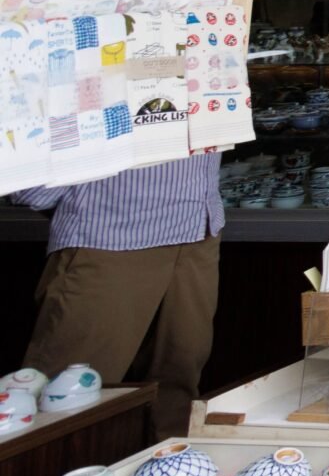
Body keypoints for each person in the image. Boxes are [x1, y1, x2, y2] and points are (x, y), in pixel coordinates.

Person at [13, 155, 225, 439]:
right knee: (69, 394)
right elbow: (30, 175)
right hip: (112, 231)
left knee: (178, 382)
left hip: (198, 227)